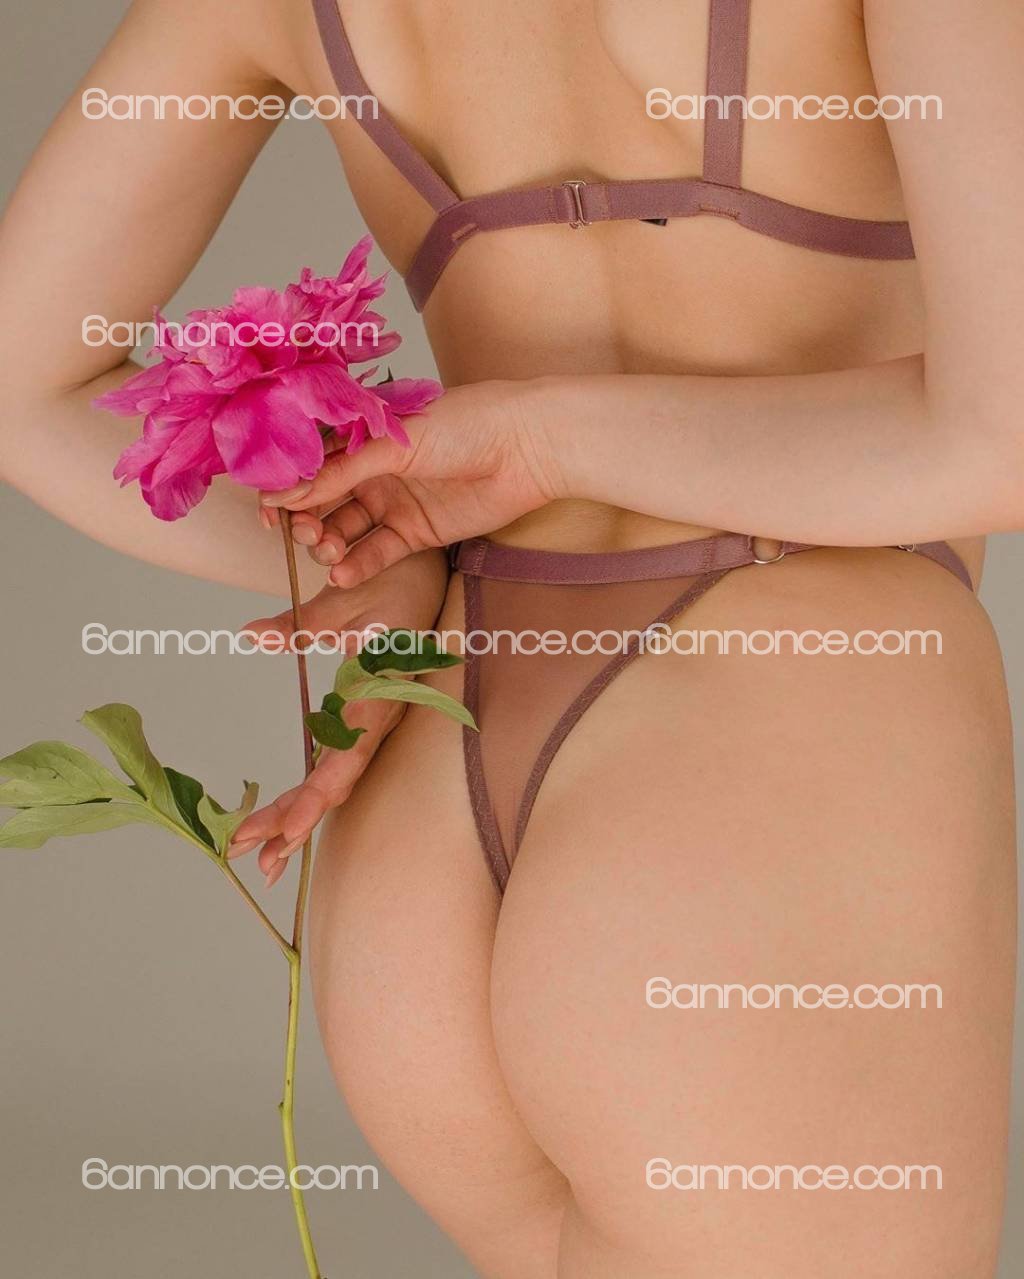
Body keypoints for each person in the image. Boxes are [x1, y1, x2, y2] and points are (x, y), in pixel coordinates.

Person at [0, 1, 1018, 1275]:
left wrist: (383, 542)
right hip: (761, 743)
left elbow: (21, 388)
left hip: (434, 786)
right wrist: (537, 443)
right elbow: (1004, 434)